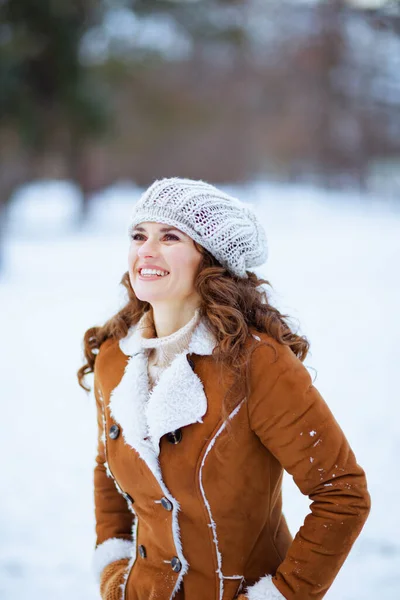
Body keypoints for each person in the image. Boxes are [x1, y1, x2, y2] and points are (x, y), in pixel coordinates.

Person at [77, 177, 370, 600]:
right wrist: (114, 568)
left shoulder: (256, 364)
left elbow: (342, 492)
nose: (146, 249)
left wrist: (281, 594)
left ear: (209, 260)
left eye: (170, 236)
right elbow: (108, 469)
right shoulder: (115, 359)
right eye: (139, 235)